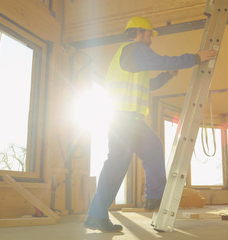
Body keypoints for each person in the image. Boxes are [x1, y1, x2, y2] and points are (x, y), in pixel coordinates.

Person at [84, 16, 218, 233]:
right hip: (122, 119)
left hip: (130, 120)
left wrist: (167, 77)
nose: (151, 39)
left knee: (153, 148)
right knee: (117, 165)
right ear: (137, 33)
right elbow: (162, 60)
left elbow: (147, 85)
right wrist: (195, 58)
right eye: (149, 34)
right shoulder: (134, 49)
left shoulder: (133, 58)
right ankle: (97, 215)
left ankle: (154, 197)